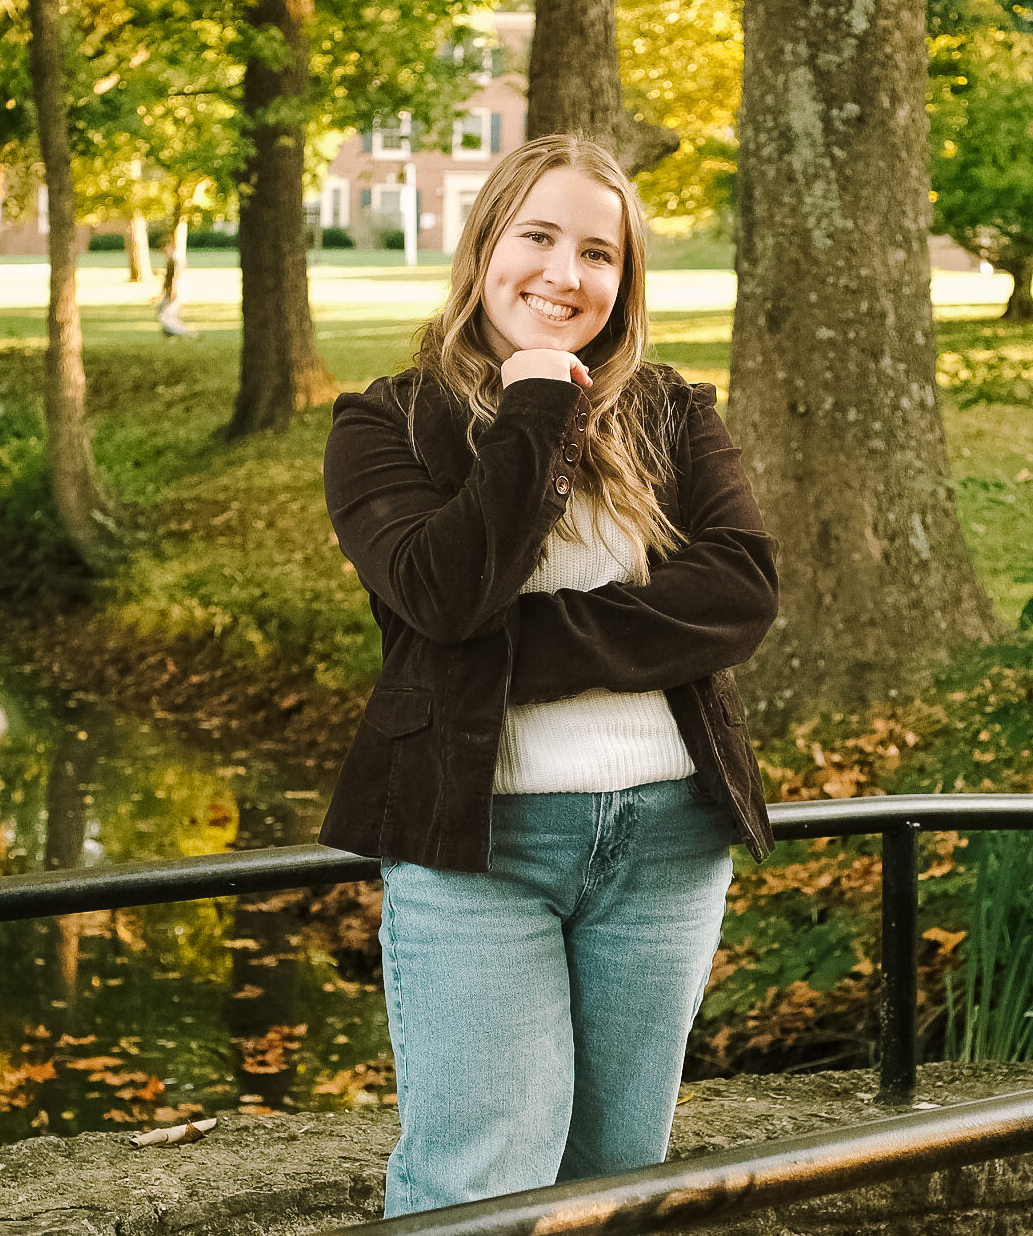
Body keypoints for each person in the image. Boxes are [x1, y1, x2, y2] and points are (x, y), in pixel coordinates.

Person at [320, 134, 778, 1216]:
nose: (563, 275)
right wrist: (534, 401)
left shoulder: (671, 411)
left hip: (666, 838)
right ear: (484, 244)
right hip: (479, 850)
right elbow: (442, 595)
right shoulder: (384, 423)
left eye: (597, 253)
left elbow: (738, 589)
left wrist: (508, 651)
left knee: (615, 1182)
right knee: (477, 1183)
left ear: (625, 282)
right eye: (536, 236)